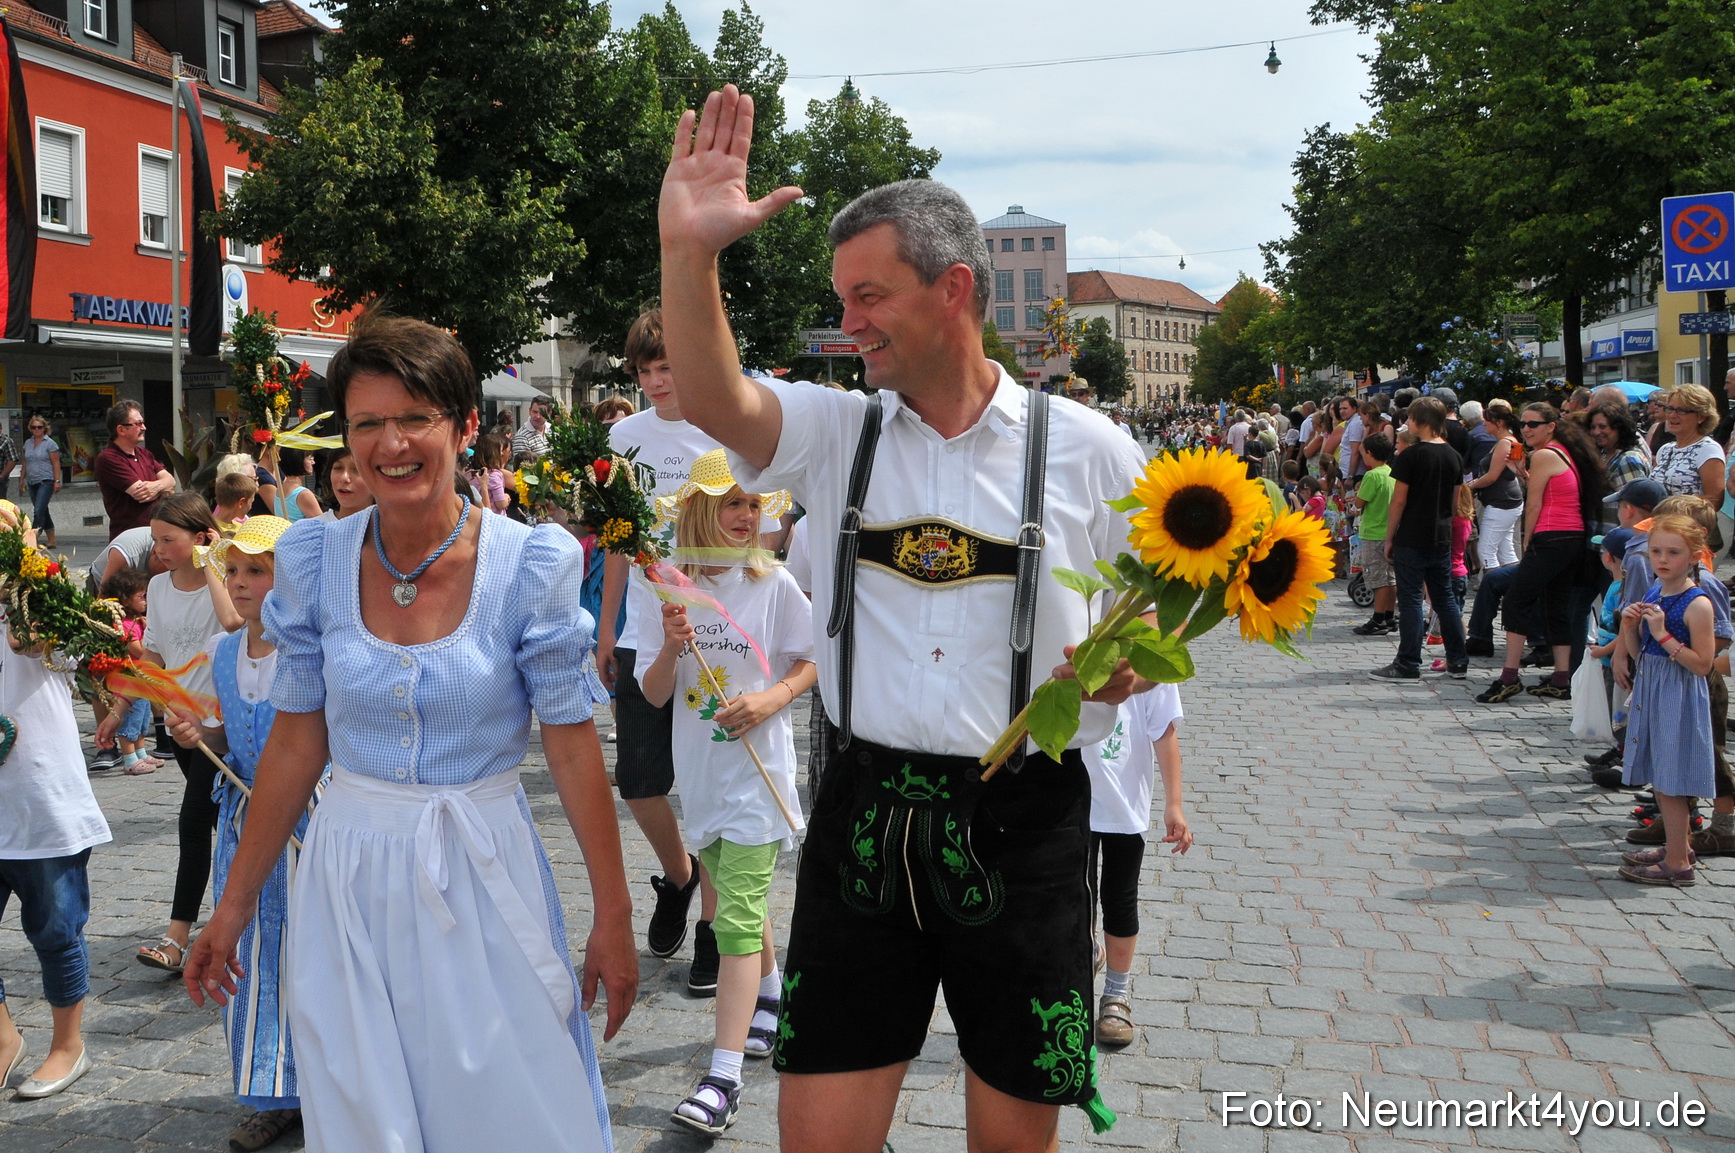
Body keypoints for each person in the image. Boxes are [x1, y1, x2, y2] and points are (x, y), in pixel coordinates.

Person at [659, 86, 1153, 1148]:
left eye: (869, 296)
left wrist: (1127, 674)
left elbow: (1145, 624)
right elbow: (712, 394)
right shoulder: (837, 431)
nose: (849, 325)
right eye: (843, 300)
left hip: (1028, 827)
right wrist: (690, 252)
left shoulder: (1089, 448)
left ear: (956, 288)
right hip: (865, 812)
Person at [181, 313, 635, 1152]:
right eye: (367, 423)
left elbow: (572, 747)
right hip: (347, 871)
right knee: (364, 1112)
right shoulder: (316, 558)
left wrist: (612, 910)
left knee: (507, 1105)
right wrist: (233, 904)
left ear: (464, 427)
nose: (391, 443)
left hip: (480, 863)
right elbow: (295, 742)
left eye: (415, 417)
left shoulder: (527, 563)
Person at [637, 453, 816, 1136]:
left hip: (755, 779)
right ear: (697, 512)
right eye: (730, 503)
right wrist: (668, 644)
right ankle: (772, 996)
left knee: (733, 918)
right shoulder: (670, 587)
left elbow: (811, 658)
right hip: (701, 779)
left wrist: (772, 697)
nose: (745, 516)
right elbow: (655, 693)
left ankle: (722, 1076)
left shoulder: (770, 583)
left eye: (752, 504)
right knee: (740, 897)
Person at [598, 308, 753, 977]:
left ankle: (716, 928)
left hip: (710, 628)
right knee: (637, 779)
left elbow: (752, 527)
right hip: (641, 627)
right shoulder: (622, 436)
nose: (656, 381)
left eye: (666, 367)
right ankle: (677, 874)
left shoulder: (720, 430)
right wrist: (605, 628)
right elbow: (615, 539)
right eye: (644, 370)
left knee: (712, 782)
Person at [159, 516, 307, 1151]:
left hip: (311, 822)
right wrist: (198, 736)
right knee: (252, 955)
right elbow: (224, 739)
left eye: (259, 570)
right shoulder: (224, 653)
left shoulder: (308, 649)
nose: (242, 584)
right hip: (245, 826)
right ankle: (270, 1090)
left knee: (317, 952)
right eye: (236, 571)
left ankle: (334, 1079)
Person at [0, 504, 112, 1101]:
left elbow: (76, 652)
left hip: (40, 799)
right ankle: (3, 1038)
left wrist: (30, 595)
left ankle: (68, 1044)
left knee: (55, 928)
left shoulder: (40, 599)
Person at [99, 493, 236, 971]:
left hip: (224, 727)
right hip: (179, 728)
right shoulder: (157, 588)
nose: (158, 549)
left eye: (168, 539)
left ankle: (178, 936)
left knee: (193, 820)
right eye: (155, 539)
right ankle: (241, 911)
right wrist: (119, 709)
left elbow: (234, 623)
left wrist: (216, 561)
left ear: (201, 538)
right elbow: (154, 658)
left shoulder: (226, 582)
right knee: (223, 824)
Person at [1475, 404, 1607, 703]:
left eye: (1534, 424)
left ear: (1551, 426)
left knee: (1517, 600)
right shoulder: (1561, 453)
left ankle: (1509, 676)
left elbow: (1533, 505)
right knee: (1555, 606)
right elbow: (1550, 493)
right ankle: (1562, 678)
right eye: (1523, 423)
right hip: (1571, 538)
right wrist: (1522, 473)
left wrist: (1527, 541)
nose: (1526, 429)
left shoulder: (1546, 454)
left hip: (1552, 536)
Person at [1084, 685, 1189, 1050]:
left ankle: (1116, 993)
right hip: (1068, 802)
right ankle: (1078, 971)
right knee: (1071, 896)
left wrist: (1173, 803)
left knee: (1119, 898)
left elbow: (1163, 730)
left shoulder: (1150, 662)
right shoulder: (1069, 639)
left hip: (1125, 807)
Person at [1616, 513, 1715, 886]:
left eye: (1673, 552)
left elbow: (1702, 664)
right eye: (1656, 550)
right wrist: (1630, 628)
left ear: (1694, 556)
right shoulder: (1655, 591)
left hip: (1679, 694)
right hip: (1654, 687)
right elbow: (1641, 653)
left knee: (1672, 779)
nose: (1662, 559)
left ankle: (1678, 863)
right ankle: (1678, 845)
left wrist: (1662, 634)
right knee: (1660, 774)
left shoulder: (1697, 604)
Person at [1371, 397, 1468, 681]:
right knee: (1445, 598)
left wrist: (1390, 537)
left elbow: (1398, 501)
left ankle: (1408, 662)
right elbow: (1455, 500)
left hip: (1412, 534)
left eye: (1411, 418)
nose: (1408, 423)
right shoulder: (1453, 455)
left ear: (1420, 421)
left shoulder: (1410, 456)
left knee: (1412, 599)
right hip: (1440, 534)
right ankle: (1458, 660)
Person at [100, 568, 165, 775]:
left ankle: (141, 752)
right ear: (126, 599)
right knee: (130, 717)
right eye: (142, 596)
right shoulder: (124, 624)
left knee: (142, 715)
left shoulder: (136, 620)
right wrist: (150, 636)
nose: (146, 600)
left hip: (139, 678)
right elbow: (139, 650)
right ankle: (129, 759)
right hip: (127, 678)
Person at [93, 400, 175, 539]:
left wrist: (155, 487)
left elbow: (171, 481)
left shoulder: (144, 453)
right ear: (121, 430)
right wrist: (162, 488)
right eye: (138, 424)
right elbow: (141, 494)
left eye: (142, 423)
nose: (144, 427)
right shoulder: (108, 458)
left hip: (154, 533)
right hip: (129, 536)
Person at [1350, 433, 1397, 636]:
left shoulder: (1372, 475)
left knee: (1377, 579)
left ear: (1369, 453)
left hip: (1373, 531)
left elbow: (1360, 503)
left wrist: (1354, 500)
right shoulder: (1391, 473)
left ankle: (1378, 618)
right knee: (1390, 578)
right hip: (1389, 531)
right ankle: (1389, 615)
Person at [1466, 405, 1524, 569]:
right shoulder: (1512, 441)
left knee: (1486, 552)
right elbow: (1516, 470)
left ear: (1498, 423)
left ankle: (1493, 590)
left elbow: (1492, 476)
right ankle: (1509, 588)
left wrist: (1471, 485)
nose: (1484, 425)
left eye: (1488, 422)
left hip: (1501, 502)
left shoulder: (1505, 443)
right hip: (1508, 500)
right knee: (1506, 551)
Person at [21, 417, 61, 548]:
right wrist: (22, 478)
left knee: (38, 510)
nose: (36, 429)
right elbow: (25, 462)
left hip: (46, 480)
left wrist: (57, 481)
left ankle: (32, 538)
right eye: (34, 427)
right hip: (32, 480)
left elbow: (56, 463)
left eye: (39, 427)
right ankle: (52, 540)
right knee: (43, 510)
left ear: (44, 428)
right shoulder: (27, 443)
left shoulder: (50, 444)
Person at [316, 444, 374, 521]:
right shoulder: (311, 530)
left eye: (357, 469)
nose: (344, 478)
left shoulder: (391, 530)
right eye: (338, 468)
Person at [273, 450, 322, 522]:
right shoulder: (303, 494)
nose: (313, 462)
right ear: (299, 461)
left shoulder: (279, 489)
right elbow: (321, 524)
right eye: (310, 459)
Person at [471, 432, 513, 514]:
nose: (502, 454)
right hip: (495, 519)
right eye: (500, 451)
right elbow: (500, 504)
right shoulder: (495, 475)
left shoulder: (471, 473)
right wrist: (506, 497)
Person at [211, 468, 260, 535]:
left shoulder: (241, 527)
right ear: (241, 503)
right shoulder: (213, 532)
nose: (251, 507)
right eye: (251, 502)